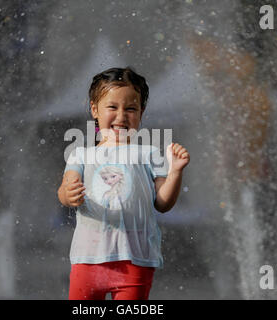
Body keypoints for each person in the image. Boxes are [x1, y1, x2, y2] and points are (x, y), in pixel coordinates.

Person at [57, 67, 190, 300]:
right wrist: (68, 194)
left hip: (134, 261)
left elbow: (162, 203)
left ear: (141, 112)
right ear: (94, 109)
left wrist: (175, 173)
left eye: (131, 108)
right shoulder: (81, 155)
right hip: (88, 259)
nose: (121, 116)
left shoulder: (148, 154)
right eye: (112, 107)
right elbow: (65, 189)